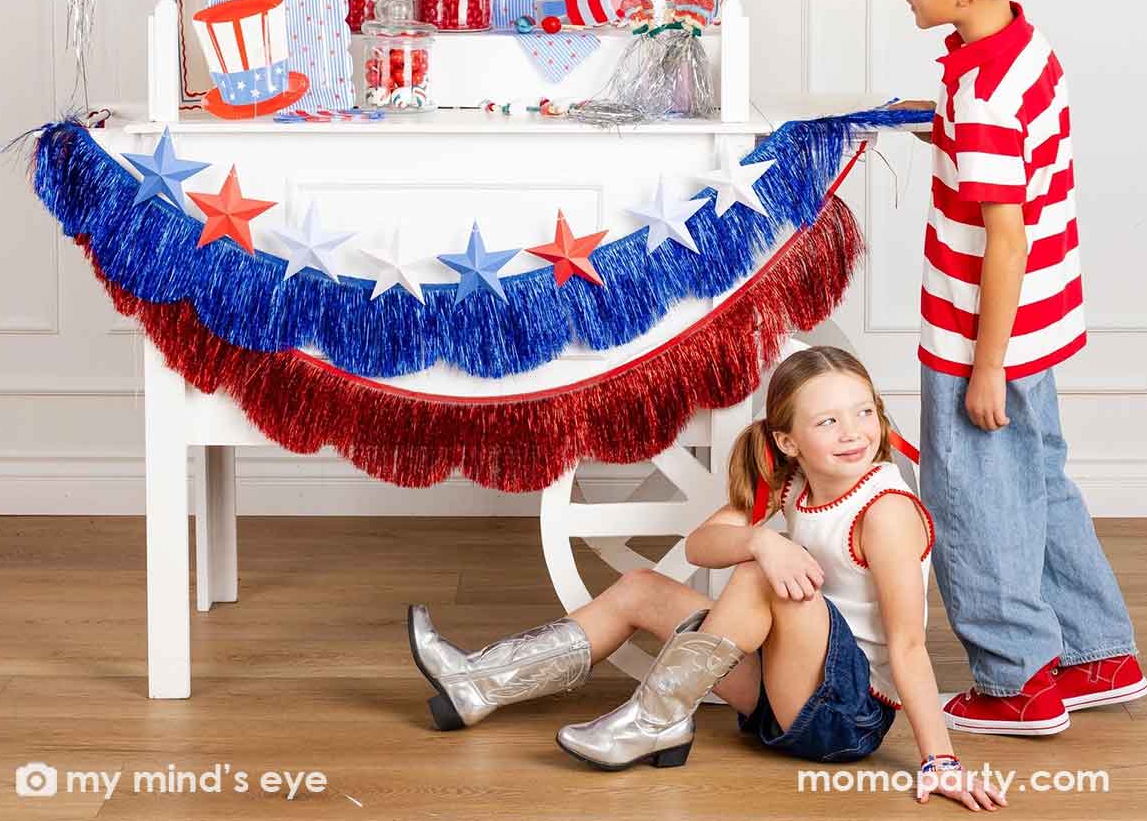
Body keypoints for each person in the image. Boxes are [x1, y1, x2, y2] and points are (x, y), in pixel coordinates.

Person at [408, 346, 1003, 808]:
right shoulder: (794, 486)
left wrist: (941, 761)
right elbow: (701, 544)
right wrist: (761, 538)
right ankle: (480, 683)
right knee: (644, 587)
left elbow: (908, 645)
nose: (853, 432)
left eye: (863, 412)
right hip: (781, 688)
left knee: (762, 576)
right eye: (827, 421)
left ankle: (657, 718)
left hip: (845, 717)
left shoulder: (886, 512)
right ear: (787, 441)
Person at [896, 0, 1143, 735]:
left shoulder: (981, 95)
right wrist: (939, 129)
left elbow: (1004, 238)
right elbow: (1010, 163)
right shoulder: (1021, 50)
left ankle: (1016, 681)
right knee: (1036, 482)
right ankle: (1098, 652)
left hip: (981, 336)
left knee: (971, 499)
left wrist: (984, 368)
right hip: (1041, 321)